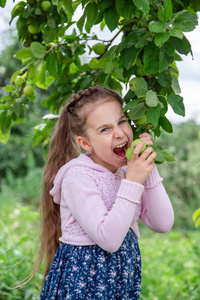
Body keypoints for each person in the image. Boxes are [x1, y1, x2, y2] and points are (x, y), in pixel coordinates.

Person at [38, 85, 174, 299]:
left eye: (121, 121)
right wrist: (134, 179)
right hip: (84, 285)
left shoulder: (126, 174)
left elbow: (163, 223)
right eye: (105, 129)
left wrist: (149, 167)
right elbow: (109, 239)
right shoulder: (78, 176)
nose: (119, 133)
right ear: (85, 143)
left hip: (121, 284)